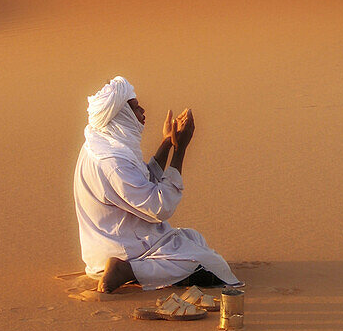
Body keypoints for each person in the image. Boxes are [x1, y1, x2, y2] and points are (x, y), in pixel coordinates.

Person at [73, 75, 241, 294]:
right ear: (120, 115)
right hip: (123, 248)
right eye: (135, 108)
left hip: (119, 241)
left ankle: (135, 269)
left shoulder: (101, 146)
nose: (143, 112)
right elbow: (159, 208)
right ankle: (127, 270)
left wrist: (166, 144)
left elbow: (142, 183)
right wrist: (180, 150)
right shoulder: (112, 162)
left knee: (193, 238)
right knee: (211, 263)